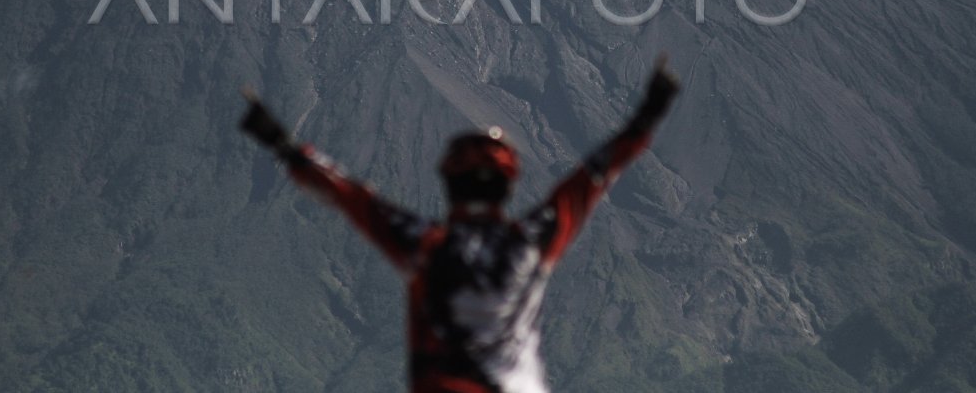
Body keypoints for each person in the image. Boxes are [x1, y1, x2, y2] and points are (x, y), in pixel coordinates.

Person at [240, 56, 681, 393]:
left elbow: (351, 195)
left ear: (449, 184)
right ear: (508, 188)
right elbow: (592, 178)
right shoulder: (531, 241)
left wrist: (285, 146)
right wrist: (647, 117)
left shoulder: (425, 246)